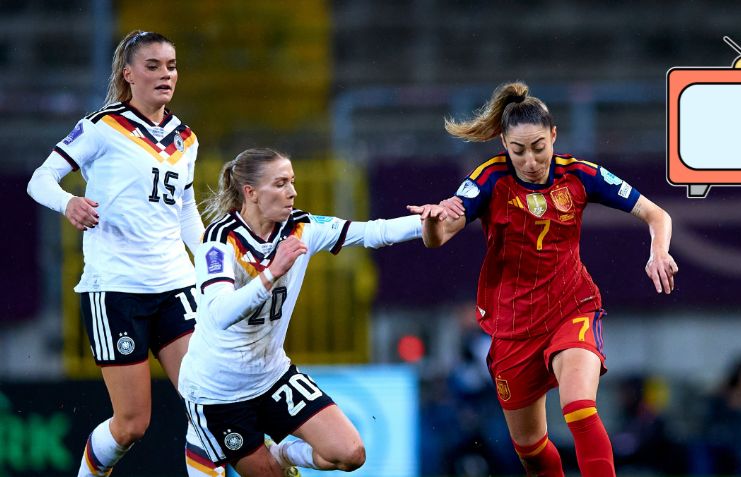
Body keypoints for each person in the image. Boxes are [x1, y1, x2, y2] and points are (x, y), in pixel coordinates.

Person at [408, 81, 678, 477]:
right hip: (513, 326)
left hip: (572, 308)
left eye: (538, 147)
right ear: (503, 143)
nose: (530, 160)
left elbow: (658, 215)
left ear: (554, 135)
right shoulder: (489, 179)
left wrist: (659, 250)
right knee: (531, 452)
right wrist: (431, 223)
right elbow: (439, 239)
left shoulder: (580, 175)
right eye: (518, 151)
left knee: (579, 407)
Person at [26, 30, 225, 477]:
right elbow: (40, 179)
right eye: (153, 66)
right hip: (115, 290)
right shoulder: (102, 127)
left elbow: (186, 217)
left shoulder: (186, 138)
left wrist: (219, 264)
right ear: (128, 74)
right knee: (133, 423)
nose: (165, 74)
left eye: (171, 66)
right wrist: (69, 202)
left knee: (208, 402)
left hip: (175, 285)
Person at [178, 147, 432, 477]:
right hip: (218, 392)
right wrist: (272, 273)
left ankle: (280, 452)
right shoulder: (219, 240)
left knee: (351, 453)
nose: (293, 192)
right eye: (281, 183)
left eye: (293, 182)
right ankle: (204, 437)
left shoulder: (301, 227)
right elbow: (218, 314)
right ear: (251, 193)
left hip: (272, 376)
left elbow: (373, 232)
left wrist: (427, 220)